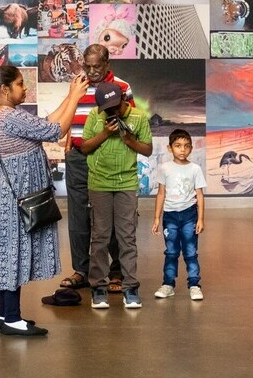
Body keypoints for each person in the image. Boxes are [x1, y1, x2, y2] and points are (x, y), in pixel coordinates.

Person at [0, 64, 89, 337]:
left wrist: (69, 95)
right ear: (5, 90)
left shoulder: (5, 114)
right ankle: (12, 317)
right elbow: (57, 131)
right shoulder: (7, 116)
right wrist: (76, 97)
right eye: (19, 84)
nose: (24, 88)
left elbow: (47, 123)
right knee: (11, 253)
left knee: (9, 252)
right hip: (13, 196)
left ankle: (5, 313)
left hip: (10, 194)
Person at [60, 44, 133, 292]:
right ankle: (81, 270)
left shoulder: (122, 87)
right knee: (77, 214)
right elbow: (68, 114)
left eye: (96, 67)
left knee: (109, 215)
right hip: (78, 157)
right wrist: (69, 137)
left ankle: (116, 271)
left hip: (107, 158)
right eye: (87, 66)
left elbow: (131, 121)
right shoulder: (78, 83)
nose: (91, 71)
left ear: (107, 64)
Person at [81, 83, 152, 310]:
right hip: (99, 182)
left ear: (124, 98)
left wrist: (130, 141)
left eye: (115, 106)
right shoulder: (95, 116)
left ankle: (130, 287)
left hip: (127, 182)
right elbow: (84, 148)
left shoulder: (139, 117)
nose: (113, 112)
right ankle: (98, 288)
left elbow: (148, 149)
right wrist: (105, 133)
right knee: (100, 237)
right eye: (107, 108)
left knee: (127, 237)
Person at [152, 129, 206, 301]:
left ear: (191, 148)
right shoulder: (164, 168)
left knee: (190, 252)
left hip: (189, 215)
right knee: (171, 252)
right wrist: (157, 218)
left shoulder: (195, 169)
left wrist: (200, 219)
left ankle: (194, 285)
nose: (182, 150)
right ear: (170, 148)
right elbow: (161, 193)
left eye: (186, 146)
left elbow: (199, 195)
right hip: (170, 216)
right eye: (178, 146)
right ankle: (168, 284)